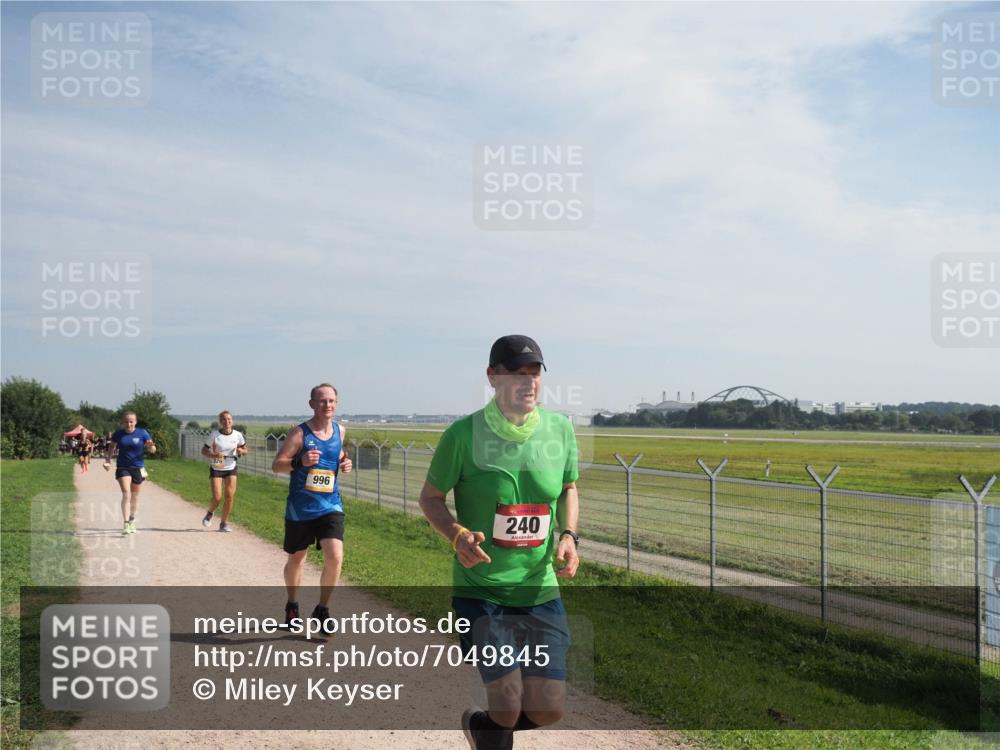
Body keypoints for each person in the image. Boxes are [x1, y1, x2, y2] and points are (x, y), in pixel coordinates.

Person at [418, 335, 580, 750]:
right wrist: (456, 534)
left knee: (549, 709)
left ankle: (481, 729)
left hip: (539, 587)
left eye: (535, 373)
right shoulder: (463, 435)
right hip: (482, 589)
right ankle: (494, 729)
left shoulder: (560, 430)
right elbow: (430, 499)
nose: (529, 382)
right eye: (516, 373)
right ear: (492, 377)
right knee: (506, 704)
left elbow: (568, 488)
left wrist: (568, 535)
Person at [272, 384, 352, 628]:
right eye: (322, 400)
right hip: (301, 509)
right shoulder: (299, 434)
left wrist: (345, 462)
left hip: (330, 505)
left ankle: (322, 609)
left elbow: (337, 454)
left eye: (331, 400)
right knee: (297, 559)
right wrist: (300, 461)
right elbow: (277, 465)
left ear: (336, 403)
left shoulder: (340, 431)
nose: (327, 405)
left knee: (335, 556)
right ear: (312, 404)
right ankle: (292, 604)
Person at [104, 412, 156, 535]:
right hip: (123, 467)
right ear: (123, 422)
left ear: (135, 422)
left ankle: (132, 520)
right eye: (126, 422)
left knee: (134, 497)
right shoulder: (118, 434)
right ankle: (126, 523)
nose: (129, 424)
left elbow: (153, 450)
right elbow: (111, 447)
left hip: (138, 468)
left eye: (131, 421)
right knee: (126, 494)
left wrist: (151, 447)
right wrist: (108, 460)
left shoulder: (142, 433)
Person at [200, 410, 248, 532]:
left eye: (229, 419)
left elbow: (245, 449)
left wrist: (241, 451)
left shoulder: (238, 435)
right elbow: (204, 451)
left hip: (231, 466)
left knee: (229, 496)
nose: (227, 421)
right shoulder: (214, 435)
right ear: (220, 422)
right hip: (217, 465)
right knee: (217, 497)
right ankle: (210, 513)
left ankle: (223, 523)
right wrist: (214, 455)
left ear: (232, 421)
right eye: (224, 419)